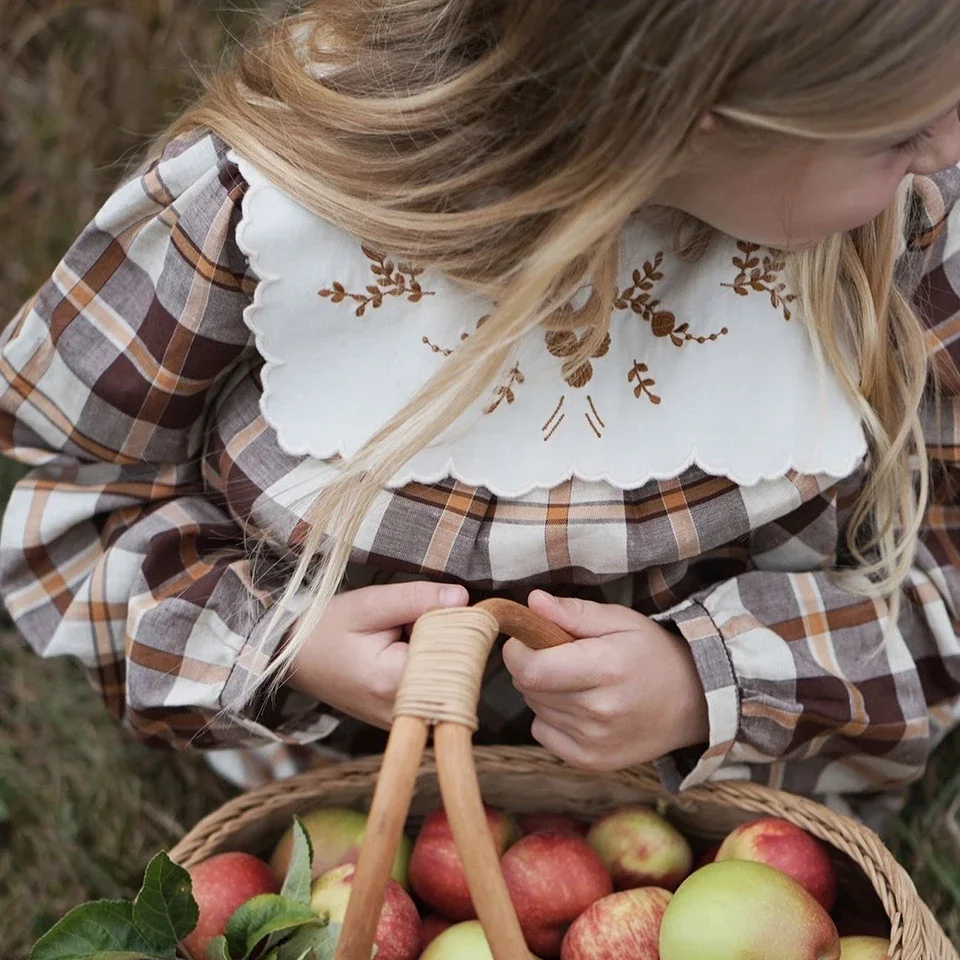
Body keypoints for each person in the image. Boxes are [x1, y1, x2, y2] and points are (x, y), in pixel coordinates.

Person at [1, 1, 959, 813]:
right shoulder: (273, 207)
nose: (947, 147)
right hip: (362, 804)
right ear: (694, 116)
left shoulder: (908, 224)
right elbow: (84, 503)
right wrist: (283, 646)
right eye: (901, 136)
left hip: (714, 815)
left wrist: (707, 682)